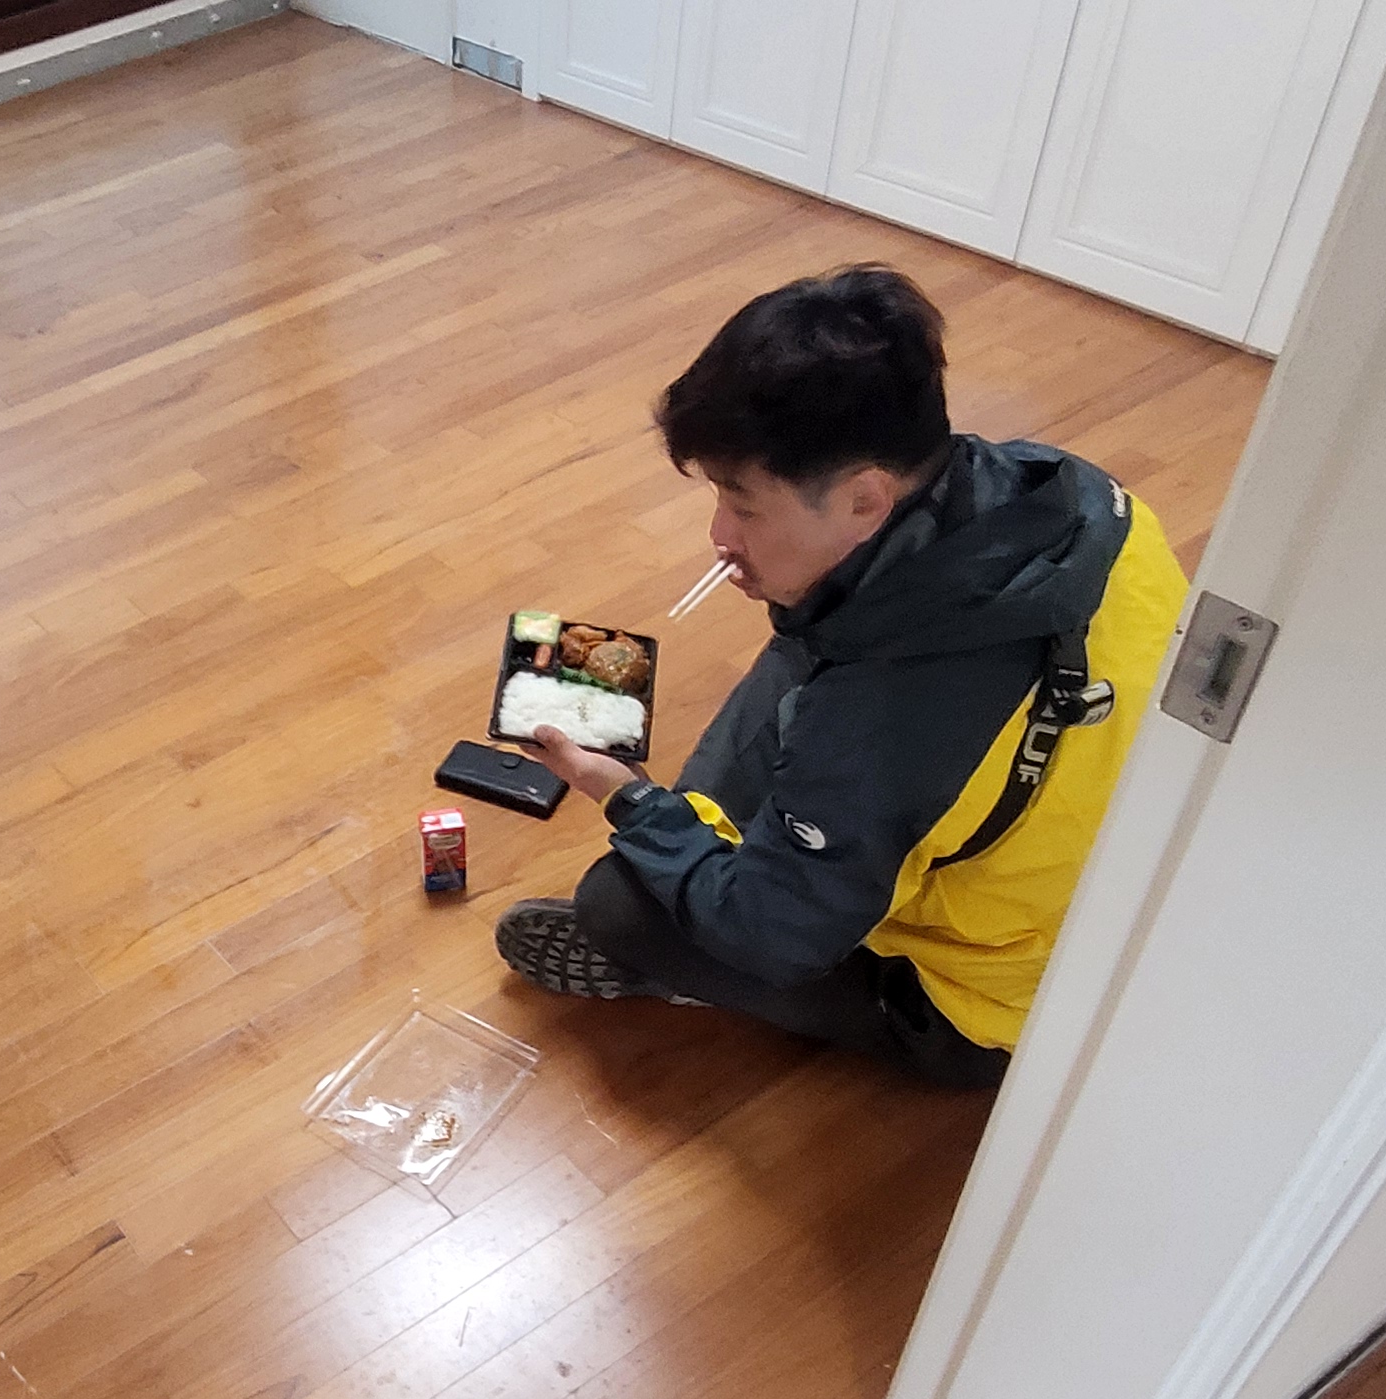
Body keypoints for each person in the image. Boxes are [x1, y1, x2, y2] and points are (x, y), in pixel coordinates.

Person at [495, 265, 1193, 1089]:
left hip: (997, 1004)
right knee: (816, 614)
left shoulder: (883, 724)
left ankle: (698, 967)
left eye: (744, 506)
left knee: (620, 904)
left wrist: (629, 799)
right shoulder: (1067, 490)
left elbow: (773, 933)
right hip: (1125, 885)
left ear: (866, 499)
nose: (720, 535)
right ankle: (737, 864)